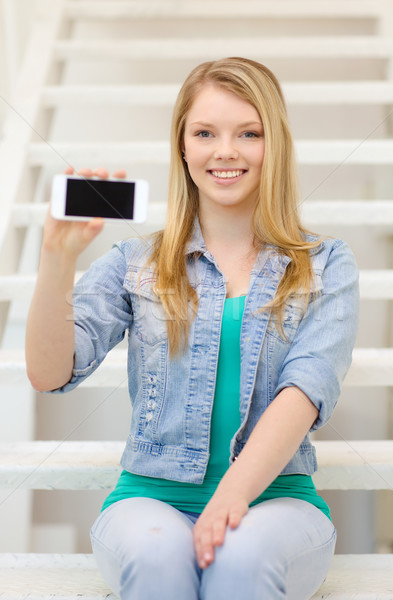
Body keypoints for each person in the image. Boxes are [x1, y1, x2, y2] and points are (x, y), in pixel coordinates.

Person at [26, 57, 359, 600]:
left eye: (248, 133)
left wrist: (230, 499)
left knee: (240, 561)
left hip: (278, 502)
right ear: (183, 147)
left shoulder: (326, 265)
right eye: (205, 132)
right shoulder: (137, 262)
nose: (225, 150)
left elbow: (305, 389)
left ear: (274, 145)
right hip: (149, 500)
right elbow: (47, 372)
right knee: (160, 559)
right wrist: (55, 260)